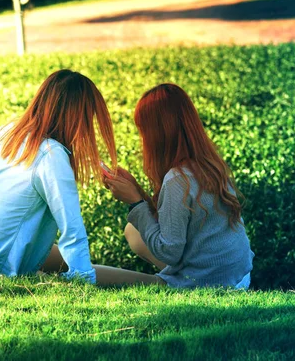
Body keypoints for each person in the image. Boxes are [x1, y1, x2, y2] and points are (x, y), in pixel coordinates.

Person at [0, 69, 162, 285]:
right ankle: (159, 283)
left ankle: (156, 280)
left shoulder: (4, 133)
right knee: (81, 266)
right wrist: (83, 277)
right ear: (78, 117)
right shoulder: (50, 154)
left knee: (61, 257)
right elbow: (72, 227)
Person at [104, 83, 254, 289]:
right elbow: (174, 221)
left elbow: (169, 252)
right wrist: (136, 190)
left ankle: (64, 272)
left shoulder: (178, 179)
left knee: (92, 274)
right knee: (133, 229)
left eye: (143, 131)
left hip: (206, 284)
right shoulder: (208, 164)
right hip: (238, 276)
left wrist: (135, 202)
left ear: (157, 133)